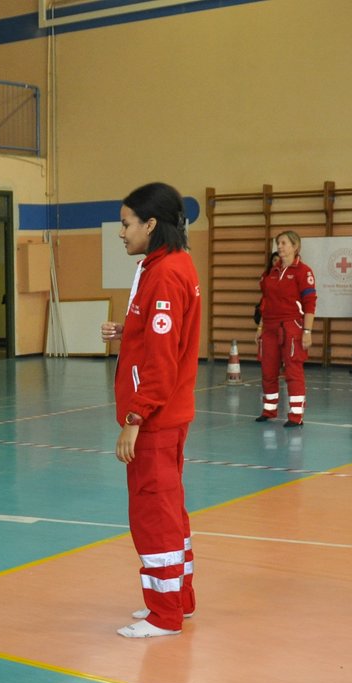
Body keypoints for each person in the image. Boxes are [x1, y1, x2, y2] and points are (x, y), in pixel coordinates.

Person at [99, 182, 201, 639]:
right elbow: (163, 334)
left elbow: (162, 360)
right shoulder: (165, 266)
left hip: (156, 419)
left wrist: (134, 418)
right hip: (170, 414)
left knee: (153, 512)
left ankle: (165, 614)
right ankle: (179, 597)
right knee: (170, 509)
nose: (121, 232)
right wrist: (127, 329)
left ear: (151, 224)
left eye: (126, 224)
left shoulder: (164, 274)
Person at [256, 231, 316, 426]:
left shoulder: (303, 271)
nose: (279, 247)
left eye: (283, 243)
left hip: (291, 327)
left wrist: (307, 331)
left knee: (293, 370)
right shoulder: (271, 272)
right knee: (268, 369)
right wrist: (261, 327)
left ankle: (296, 415)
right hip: (270, 327)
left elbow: (310, 303)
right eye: (278, 243)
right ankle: (269, 409)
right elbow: (264, 302)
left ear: (295, 246)